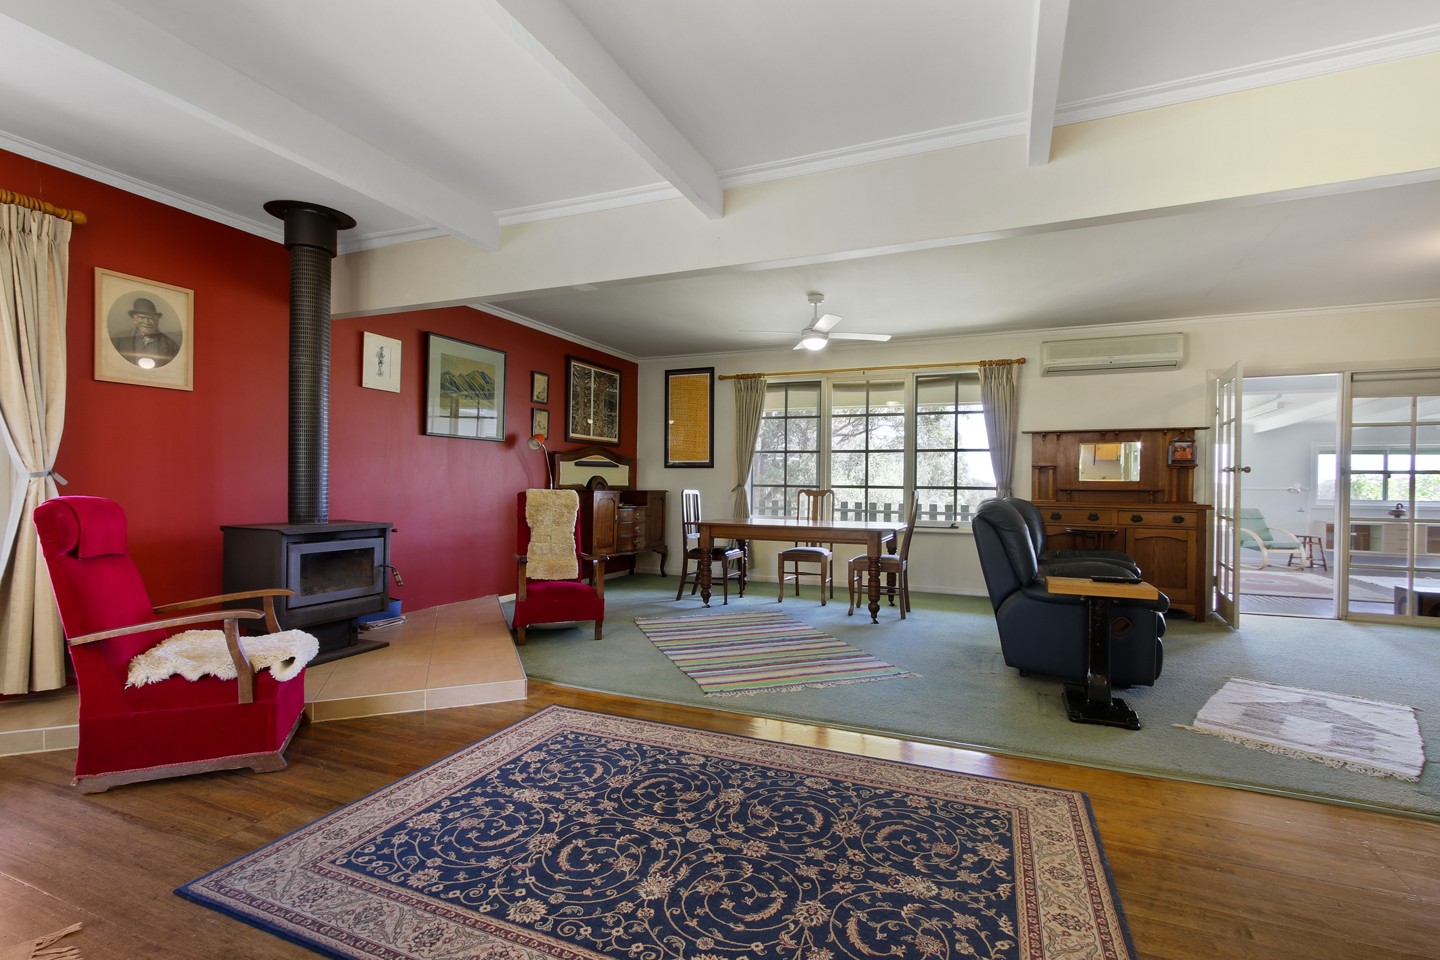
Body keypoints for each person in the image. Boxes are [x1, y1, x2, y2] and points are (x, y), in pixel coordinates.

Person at [113, 296, 179, 367]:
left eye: (150, 318)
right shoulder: (119, 339)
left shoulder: (171, 346)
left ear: (156, 321)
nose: (146, 322)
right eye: (142, 317)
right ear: (134, 320)